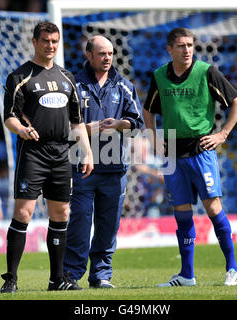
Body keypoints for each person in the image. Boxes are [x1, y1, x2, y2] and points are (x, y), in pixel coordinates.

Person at [143, 28, 237, 287]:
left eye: (189, 45)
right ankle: (187, 275)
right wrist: (154, 139)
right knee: (181, 212)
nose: (187, 50)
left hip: (201, 150)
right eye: (181, 46)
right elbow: (148, 111)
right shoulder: (159, 76)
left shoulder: (207, 72)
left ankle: (232, 269)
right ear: (170, 49)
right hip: (172, 152)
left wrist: (222, 134)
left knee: (212, 208)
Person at [0, 22, 93, 293]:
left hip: (61, 154)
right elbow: (9, 117)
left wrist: (87, 152)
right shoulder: (20, 77)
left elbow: (77, 122)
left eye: (55, 41)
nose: (50, 46)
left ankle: (57, 280)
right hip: (33, 154)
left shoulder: (67, 78)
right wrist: (22, 129)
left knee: (61, 213)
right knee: (23, 212)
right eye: (45, 41)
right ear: (34, 42)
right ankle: (11, 280)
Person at [63, 35, 143, 289]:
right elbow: (61, 126)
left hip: (115, 168)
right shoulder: (72, 85)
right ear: (89, 55)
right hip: (81, 167)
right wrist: (87, 128)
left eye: (110, 53)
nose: (107, 58)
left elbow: (137, 123)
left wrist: (122, 124)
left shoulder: (124, 87)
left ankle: (101, 275)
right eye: (101, 54)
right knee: (80, 223)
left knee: (108, 226)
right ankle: (71, 275)